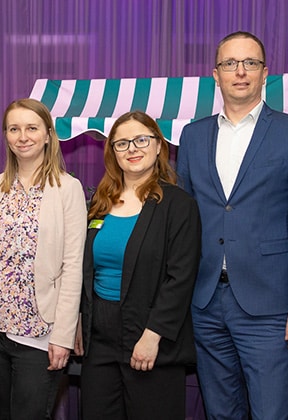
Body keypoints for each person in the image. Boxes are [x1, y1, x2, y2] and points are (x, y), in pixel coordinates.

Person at [177, 31, 288, 419]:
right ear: (216, 75)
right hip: (204, 303)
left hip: (270, 307)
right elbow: (183, 225)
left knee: (272, 413)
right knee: (220, 413)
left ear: (265, 73)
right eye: (230, 63)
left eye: (250, 63)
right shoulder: (192, 136)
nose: (240, 71)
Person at [74, 111, 201, 419]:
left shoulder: (179, 205)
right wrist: (78, 319)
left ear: (158, 146)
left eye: (141, 140)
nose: (132, 149)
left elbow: (181, 278)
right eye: (122, 143)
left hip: (150, 336)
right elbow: (84, 269)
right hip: (98, 338)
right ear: (113, 153)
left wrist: (153, 335)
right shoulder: (99, 203)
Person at [0, 98, 87, 420]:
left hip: (40, 332)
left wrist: (63, 335)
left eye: (32, 128)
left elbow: (72, 267)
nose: (23, 137)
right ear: (6, 135)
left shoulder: (67, 188)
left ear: (48, 134)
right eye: (14, 129)